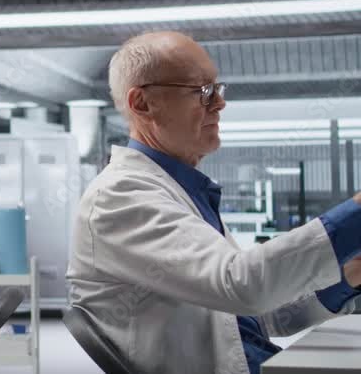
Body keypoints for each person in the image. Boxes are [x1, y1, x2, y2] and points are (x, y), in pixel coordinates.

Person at [67, 31, 361, 374]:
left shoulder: (182, 191)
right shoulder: (119, 197)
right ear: (142, 103)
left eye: (217, 89)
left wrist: (350, 274)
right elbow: (243, 287)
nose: (219, 104)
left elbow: (262, 315)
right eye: (202, 91)